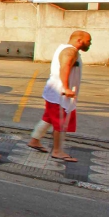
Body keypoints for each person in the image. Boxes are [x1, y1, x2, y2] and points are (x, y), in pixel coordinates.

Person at [27, 30, 92, 163]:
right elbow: (65, 66)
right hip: (60, 95)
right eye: (88, 40)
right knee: (61, 123)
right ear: (79, 40)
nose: (90, 43)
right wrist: (66, 88)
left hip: (55, 93)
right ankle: (57, 151)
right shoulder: (70, 51)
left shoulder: (68, 49)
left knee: (48, 118)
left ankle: (34, 140)